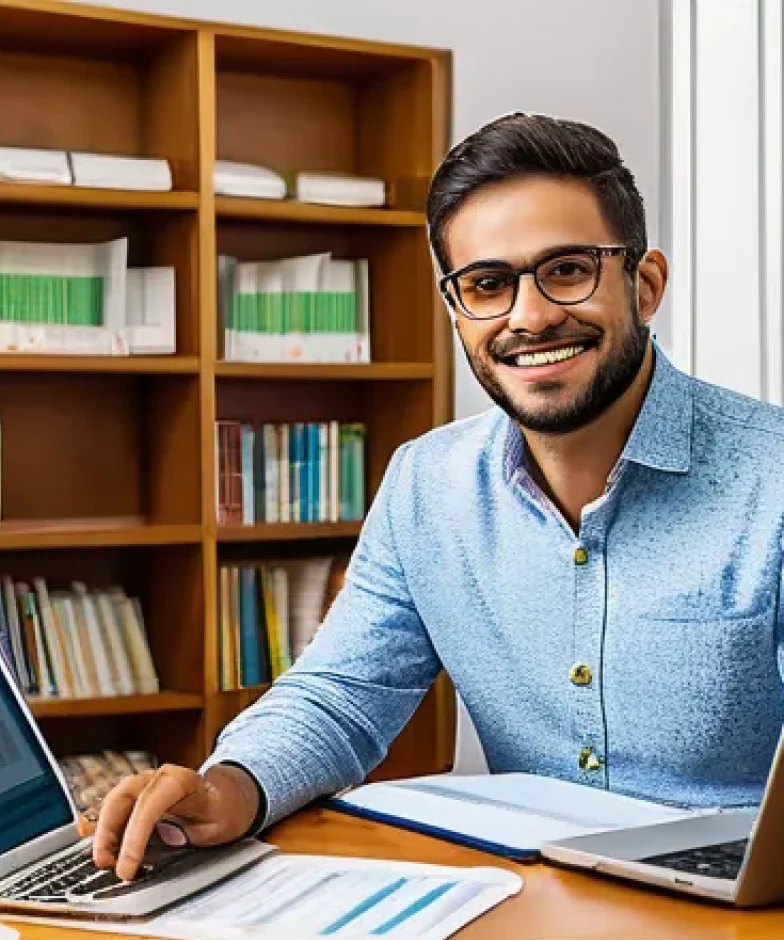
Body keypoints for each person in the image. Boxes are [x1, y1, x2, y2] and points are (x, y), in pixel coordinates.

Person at [85, 112, 784, 882]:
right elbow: (342, 694)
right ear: (457, 308)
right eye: (488, 284)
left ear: (644, 285)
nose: (528, 316)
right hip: (529, 912)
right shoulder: (427, 483)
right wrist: (230, 786)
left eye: (568, 270)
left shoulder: (771, 477)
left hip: (741, 926)